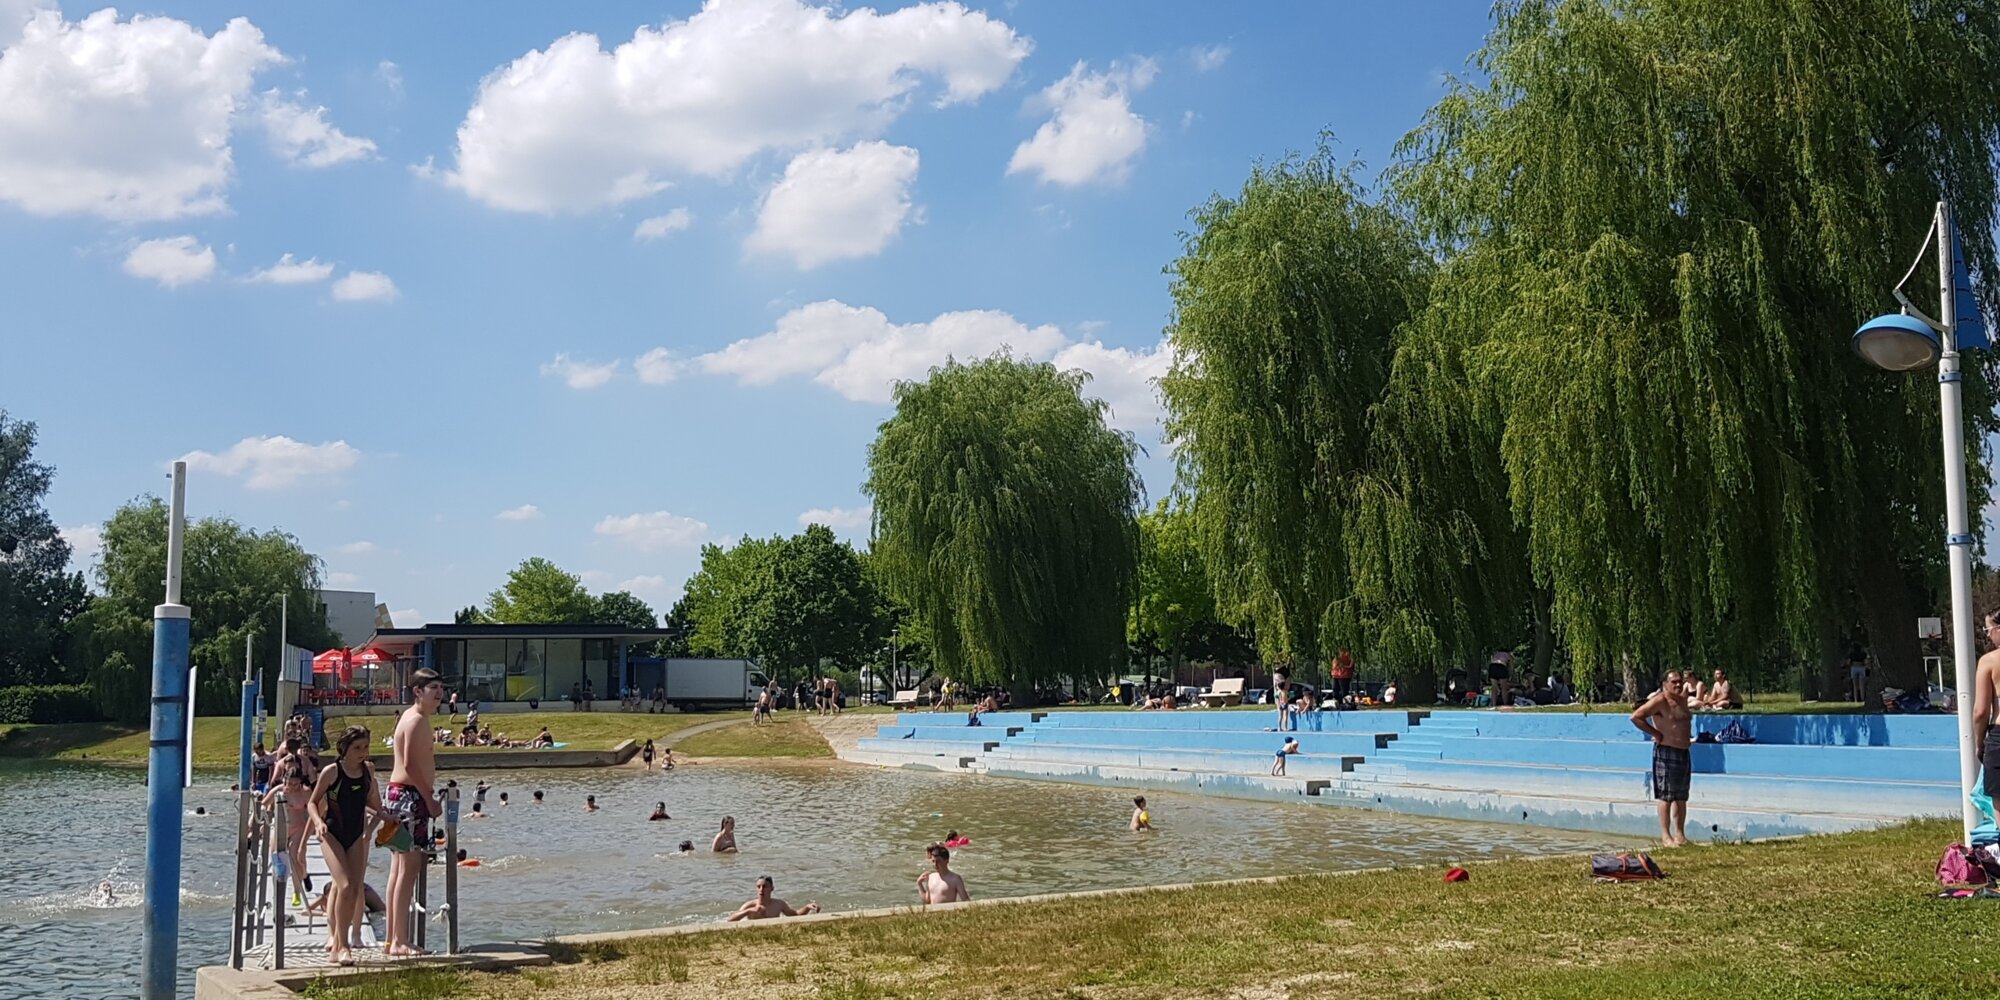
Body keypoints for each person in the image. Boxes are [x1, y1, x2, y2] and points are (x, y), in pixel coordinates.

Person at [384, 667, 446, 958]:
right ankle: (399, 940)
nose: (439, 693)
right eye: (433, 688)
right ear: (418, 691)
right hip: (409, 797)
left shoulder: (412, 717)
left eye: (441, 688)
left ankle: (393, 938)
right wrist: (430, 799)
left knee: (399, 870)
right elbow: (409, 765)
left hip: (401, 795)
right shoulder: (417, 719)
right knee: (408, 870)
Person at [309, 725, 381, 967]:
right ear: (345, 749)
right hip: (331, 833)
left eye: (366, 747)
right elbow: (312, 802)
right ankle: (341, 945)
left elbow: (375, 805)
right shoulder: (332, 772)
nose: (363, 752)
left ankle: (341, 943)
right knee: (345, 885)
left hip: (355, 835)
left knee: (353, 888)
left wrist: (385, 819)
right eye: (357, 748)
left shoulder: (368, 771)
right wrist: (318, 822)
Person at [1631, 671, 1693, 847]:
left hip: (1683, 751)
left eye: (1680, 682)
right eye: (1674, 682)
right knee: (1666, 796)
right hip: (1666, 751)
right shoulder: (1660, 700)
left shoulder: (1682, 699)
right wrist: (1656, 733)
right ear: (1665, 684)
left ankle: (1680, 835)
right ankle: (1666, 837)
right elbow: (1636, 717)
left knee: (1681, 796)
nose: (1678, 685)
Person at [262, 760, 312, 905]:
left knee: (296, 857)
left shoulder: (305, 792)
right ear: (285, 781)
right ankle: (277, 892)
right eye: (289, 784)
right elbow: (263, 804)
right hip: (280, 827)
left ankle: (297, 890)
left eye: (296, 784)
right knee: (277, 858)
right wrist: (251, 824)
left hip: (298, 827)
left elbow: (314, 809)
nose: (292, 787)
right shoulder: (279, 790)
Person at [728, 875, 819, 920]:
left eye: (765, 887)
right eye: (758, 887)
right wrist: (748, 911)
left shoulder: (778, 904)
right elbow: (731, 919)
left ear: (772, 889)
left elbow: (795, 915)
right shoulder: (750, 905)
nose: (761, 889)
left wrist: (807, 908)